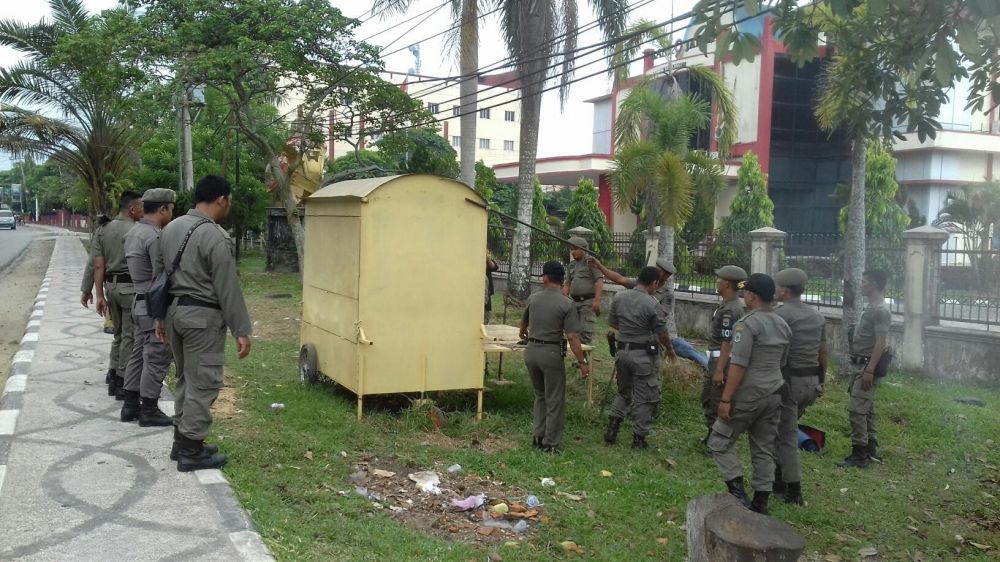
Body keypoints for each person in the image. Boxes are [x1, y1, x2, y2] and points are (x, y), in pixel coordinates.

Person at [155, 175, 252, 472]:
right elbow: (227, 286)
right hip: (202, 319)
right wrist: (242, 329)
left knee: (186, 378)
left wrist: (159, 318)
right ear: (221, 199)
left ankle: (181, 441)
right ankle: (191, 450)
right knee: (205, 382)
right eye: (229, 201)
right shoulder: (215, 235)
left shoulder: (170, 228)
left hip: (174, 314)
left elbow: (160, 276)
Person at [709, 273, 790, 515]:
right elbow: (783, 361)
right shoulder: (782, 324)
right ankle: (761, 502)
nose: (743, 296)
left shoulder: (746, 324)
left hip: (749, 394)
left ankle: (738, 494)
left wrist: (725, 399)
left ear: (752, 296)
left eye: (746, 293)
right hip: (775, 392)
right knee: (763, 447)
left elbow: (739, 365)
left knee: (719, 441)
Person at [119, 189, 177, 426]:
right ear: (163, 209)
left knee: (138, 355)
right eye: (171, 209)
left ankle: (131, 404)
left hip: (138, 300)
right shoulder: (155, 237)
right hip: (152, 304)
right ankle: (149, 409)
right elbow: (161, 275)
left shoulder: (134, 232)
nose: (172, 213)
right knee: (156, 356)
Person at [588, 256, 708, 370]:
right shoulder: (641, 283)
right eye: (658, 269)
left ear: (667, 276)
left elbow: (659, 318)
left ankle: (712, 366)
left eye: (662, 272)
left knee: (690, 352)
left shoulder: (667, 295)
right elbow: (620, 279)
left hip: (661, 336)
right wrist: (600, 266)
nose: (658, 272)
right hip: (636, 338)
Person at [519, 261, 589, 453]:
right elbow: (573, 337)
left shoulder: (533, 298)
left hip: (531, 351)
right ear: (562, 280)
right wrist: (582, 362)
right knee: (555, 398)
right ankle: (550, 443)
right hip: (551, 354)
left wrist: (526, 335)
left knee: (540, 395)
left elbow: (522, 328)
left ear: (545, 278)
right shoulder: (567, 303)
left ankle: (537, 436)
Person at [772, 268, 827, 505]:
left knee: (786, 435)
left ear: (784, 289)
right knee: (782, 430)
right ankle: (778, 479)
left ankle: (793, 490)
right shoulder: (817, 316)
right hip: (810, 382)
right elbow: (823, 351)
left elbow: (776, 350)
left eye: (777, 287)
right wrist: (821, 379)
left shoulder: (781, 315)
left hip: (788, 383)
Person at [605, 266, 677, 449]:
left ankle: (612, 429)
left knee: (623, 392)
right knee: (646, 397)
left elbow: (613, 322)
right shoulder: (652, 303)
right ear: (653, 283)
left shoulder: (619, 297)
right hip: (643, 355)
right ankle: (639, 438)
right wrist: (669, 349)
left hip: (622, 352)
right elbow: (661, 332)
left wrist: (629, 330)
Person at [838, 269, 891, 469]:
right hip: (860, 364)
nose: (861, 285)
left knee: (857, 410)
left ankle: (859, 454)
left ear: (875, 285)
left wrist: (870, 370)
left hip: (867, 366)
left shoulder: (880, 310)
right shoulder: (872, 306)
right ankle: (870, 448)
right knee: (866, 408)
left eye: (865, 282)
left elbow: (881, 343)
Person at [93, 193, 144, 400]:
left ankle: (113, 374)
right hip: (129, 288)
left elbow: (98, 264)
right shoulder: (137, 231)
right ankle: (123, 380)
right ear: (132, 209)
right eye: (141, 206)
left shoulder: (103, 229)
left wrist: (98, 295)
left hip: (110, 288)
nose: (144, 210)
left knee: (118, 334)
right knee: (130, 336)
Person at [702, 265, 748, 446]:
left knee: (716, 400)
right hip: (717, 358)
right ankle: (712, 436)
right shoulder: (728, 305)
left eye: (719, 279)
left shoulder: (731, 310)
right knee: (708, 398)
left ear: (727, 284)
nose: (717, 282)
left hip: (722, 360)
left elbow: (727, 342)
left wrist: (719, 370)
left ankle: (718, 441)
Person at [562, 237, 603, 346]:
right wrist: (563, 299)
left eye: (575, 249)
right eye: (571, 249)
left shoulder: (591, 262)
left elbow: (599, 281)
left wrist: (597, 300)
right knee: (574, 331)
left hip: (588, 302)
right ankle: (579, 360)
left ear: (583, 249)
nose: (572, 251)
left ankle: (583, 361)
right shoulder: (572, 265)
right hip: (574, 303)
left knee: (585, 332)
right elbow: (567, 284)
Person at [81, 215, 114, 338]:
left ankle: (110, 321)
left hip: (111, 278)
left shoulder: (101, 234)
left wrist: (86, 290)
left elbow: (93, 264)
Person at [485, 253, 499, 324]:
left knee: (486, 311)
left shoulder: (486, 258)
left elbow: (494, 267)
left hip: (486, 290)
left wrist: (487, 258)